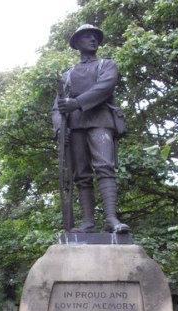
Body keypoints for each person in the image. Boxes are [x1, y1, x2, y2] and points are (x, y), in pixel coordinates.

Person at [52, 24, 130, 234]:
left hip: (100, 120)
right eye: (87, 37)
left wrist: (76, 103)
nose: (93, 40)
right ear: (77, 43)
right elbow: (57, 107)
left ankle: (111, 219)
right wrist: (60, 130)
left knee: (105, 166)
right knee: (81, 175)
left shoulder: (107, 65)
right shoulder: (68, 75)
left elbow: (104, 88)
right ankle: (88, 221)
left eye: (95, 37)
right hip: (75, 125)